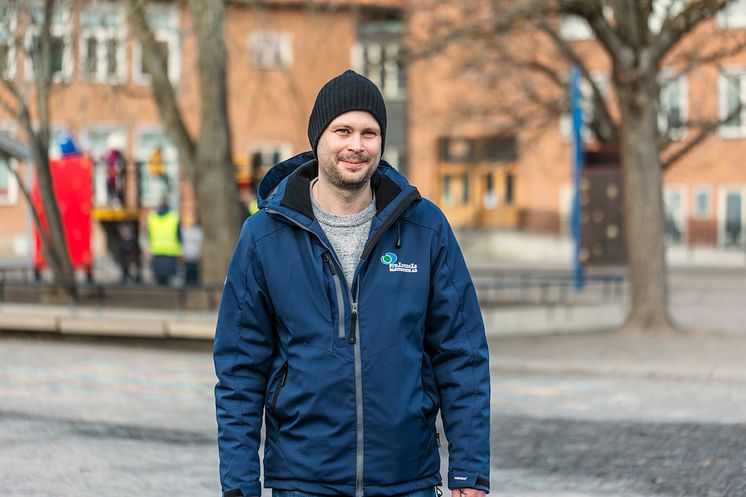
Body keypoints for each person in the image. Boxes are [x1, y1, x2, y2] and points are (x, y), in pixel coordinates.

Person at [214, 70, 490, 497]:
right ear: (318, 139)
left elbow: (462, 353)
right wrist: (239, 486)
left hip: (406, 480)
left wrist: (469, 473)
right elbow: (239, 373)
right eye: (342, 130)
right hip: (302, 481)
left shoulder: (426, 228)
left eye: (369, 132)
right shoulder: (263, 237)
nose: (356, 145)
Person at [147, 199, 181, 286]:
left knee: (159, 281)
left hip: (157, 251)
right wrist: (181, 250)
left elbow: (149, 235)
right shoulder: (174, 217)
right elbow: (179, 235)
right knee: (169, 283)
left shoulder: (152, 218)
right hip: (171, 252)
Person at [182, 216, 204, 286]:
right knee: (187, 274)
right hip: (188, 256)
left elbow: (200, 243)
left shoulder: (199, 231)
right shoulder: (186, 231)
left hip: (195, 256)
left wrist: (200, 254)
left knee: (194, 274)